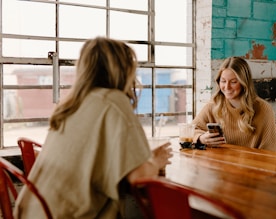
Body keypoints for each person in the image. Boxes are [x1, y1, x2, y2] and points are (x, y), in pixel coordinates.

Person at [14, 37, 173, 218]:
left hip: (32, 211)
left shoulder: (72, 103)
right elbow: (138, 178)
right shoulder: (113, 101)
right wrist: (155, 161)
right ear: (124, 69)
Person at [192, 56, 276, 151]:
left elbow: (271, 152)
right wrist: (201, 138)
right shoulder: (213, 105)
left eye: (233, 82)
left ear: (244, 83)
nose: (227, 87)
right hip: (220, 164)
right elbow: (191, 131)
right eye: (223, 81)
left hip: (251, 164)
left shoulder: (264, 109)